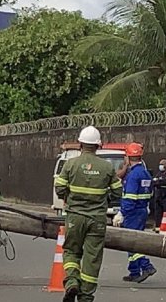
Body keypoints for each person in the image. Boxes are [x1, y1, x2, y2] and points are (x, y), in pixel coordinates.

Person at [54, 126, 123, 302]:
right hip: (97, 220)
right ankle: (85, 297)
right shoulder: (107, 167)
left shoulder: (70, 165)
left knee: (71, 251)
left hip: (74, 217)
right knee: (92, 258)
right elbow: (117, 192)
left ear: (80, 144)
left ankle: (71, 282)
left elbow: (59, 188)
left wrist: (69, 197)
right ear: (98, 145)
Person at [113, 142, 157, 283]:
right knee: (131, 241)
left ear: (128, 157)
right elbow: (149, 193)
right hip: (142, 210)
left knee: (132, 243)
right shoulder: (145, 173)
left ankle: (146, 266)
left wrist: (122, 213)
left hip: (132, 212)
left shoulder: (133, 175)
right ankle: (134, 271)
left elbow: (129, 197)